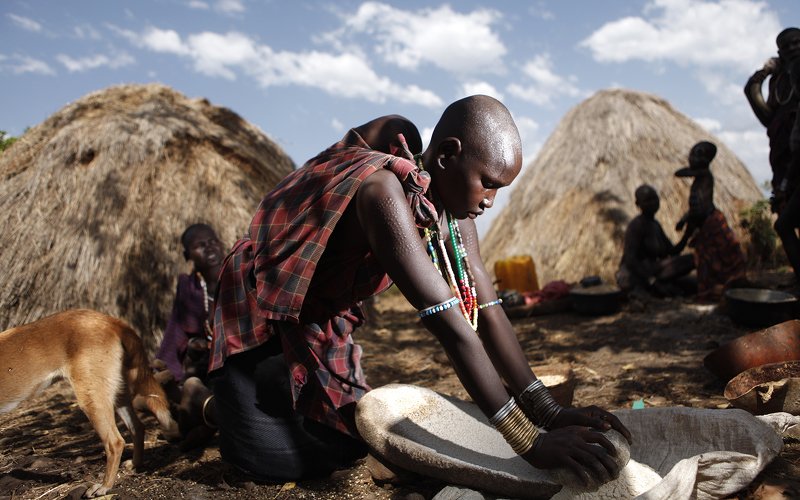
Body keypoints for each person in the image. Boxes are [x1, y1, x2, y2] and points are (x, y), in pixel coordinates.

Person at [185, 96, 631, 485]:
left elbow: (488, 309)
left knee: (348, 446)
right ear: (447, 156)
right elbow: (452, 326)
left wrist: (548, 411)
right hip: (263, 295)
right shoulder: (382, 193)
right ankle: (203, 400)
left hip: (317, 316)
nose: (491, 200)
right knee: (275, 460)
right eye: (488, 182)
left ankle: (264, 387)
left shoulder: (453, 215)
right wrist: (529, 442)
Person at [674, 142, 746, 302]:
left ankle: (726, 287)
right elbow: (694, 209)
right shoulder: (698, 181)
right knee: (706, 260)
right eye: (692, 153)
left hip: (711, 222)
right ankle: (710, 291)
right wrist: (683, 220)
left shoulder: (705, 175)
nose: (694, 158)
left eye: (700, 154)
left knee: (722, 256)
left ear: (708, 160)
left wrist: (686, 231)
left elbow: (682, 172)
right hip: (702, 223)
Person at [155, 223, 223, 385]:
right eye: (200, 246)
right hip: (207, 365)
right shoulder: (189, 288)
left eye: (213, 242)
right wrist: (193, 345)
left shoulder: (240, 275)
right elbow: (176, 334)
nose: (209, 248)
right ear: (187, 256)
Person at [744, 27, 800, 210]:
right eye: (786, 46)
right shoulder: (778, 79)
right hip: (782, 150)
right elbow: (768, 117)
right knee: (786, 215)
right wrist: (764, 72)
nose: (792, 48)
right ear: (779, 52)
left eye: (796, 43)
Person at [616, 184, 694, 297]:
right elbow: (630, 260)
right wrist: (651, 281)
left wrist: (687, 234)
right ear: (638, 204)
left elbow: (673, 251)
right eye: (648, 200)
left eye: (655, 198)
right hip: (636, 275)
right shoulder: (636, 226)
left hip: (655, 271)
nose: (653, 203)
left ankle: (663, 285)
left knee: (692, 262)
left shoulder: (655, 225)